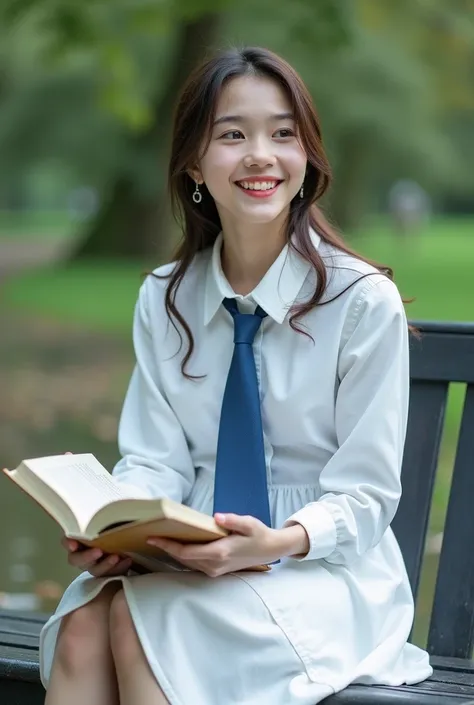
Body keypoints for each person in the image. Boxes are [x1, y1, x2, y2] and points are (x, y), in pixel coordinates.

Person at [39, 46, 432, 705]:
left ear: (307, 158)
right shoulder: (166, 296)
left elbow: (366, 496)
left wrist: (272, 543)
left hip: (323, 571)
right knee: (82, 621)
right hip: (189, 560)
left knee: (145, 625)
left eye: (283, 133)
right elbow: (154, 461)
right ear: (194, 162)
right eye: (232, 135)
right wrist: (116, 530)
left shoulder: (361, 302)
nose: (260, 155)